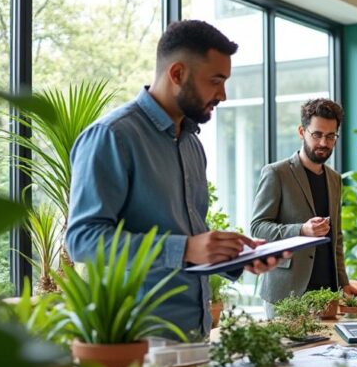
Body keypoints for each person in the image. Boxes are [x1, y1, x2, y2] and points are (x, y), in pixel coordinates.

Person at [66, 20, 285, 336]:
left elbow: (189, 236)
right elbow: (82, 240)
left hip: (195, 331)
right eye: (215, 80)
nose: (222, 94)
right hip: (137, 338)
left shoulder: (192, 143)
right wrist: (184, 249)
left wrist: (237, 255)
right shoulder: (112, 136)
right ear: (177, 74)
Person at [249, 98, 357, 309]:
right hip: (287, 291)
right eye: (317, 134)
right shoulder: (277, 173)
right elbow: (258, 226)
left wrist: (343, 283)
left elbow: (336, 237)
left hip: (326, 293)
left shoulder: (334, 179)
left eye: (331, 136)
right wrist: (301, 230)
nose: (324, 142)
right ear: (302, 132)